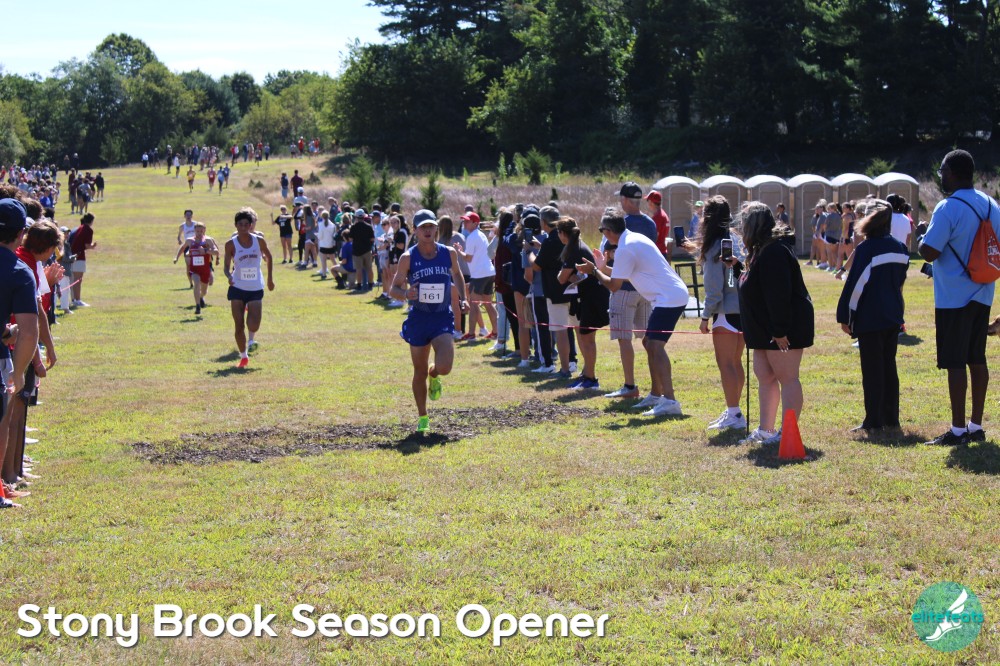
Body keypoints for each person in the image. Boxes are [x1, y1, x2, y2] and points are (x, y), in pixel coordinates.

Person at [918, 149, 1000, 445]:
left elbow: (930, 252)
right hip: (983, 291)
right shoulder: (991, 205)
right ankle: (975, 426)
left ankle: (956, 431)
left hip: (953, 296)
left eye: (942, 171)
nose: (941, 176)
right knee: (977, 358)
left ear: (951, 173)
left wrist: (921, 236)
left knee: (955, 362)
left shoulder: (947, 207)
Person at [577, 209, 690, 415]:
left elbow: (614, 286)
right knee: (649, 342)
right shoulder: (633, 239)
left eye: (602, 230)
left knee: (655, 346)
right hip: (668, 295)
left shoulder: (625, 248)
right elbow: (624, 274)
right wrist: (601, 268)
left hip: (668, 298)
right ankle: (656, 394)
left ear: (608, 232)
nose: (602, 234)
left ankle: (670, 401)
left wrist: (594, 271)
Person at [736, 202, 814, 445]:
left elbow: (779, 294)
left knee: (787, 377)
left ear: (753, 225)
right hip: (764, 329)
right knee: (765, 376)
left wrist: (780, 330)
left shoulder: (774, 252)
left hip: (782, 329)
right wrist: (737, 267)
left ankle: (787, 433)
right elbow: (756, 285)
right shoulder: (761, 250)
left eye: (744, 223)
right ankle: (766, 430)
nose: (741, 228)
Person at [389, 210, 469, 433]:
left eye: (430, 226)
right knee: (419, 371)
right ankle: (423, 416)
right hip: (419, 319)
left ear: (436, 229)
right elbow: (393, 289)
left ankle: (436, 375)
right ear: (415, 230)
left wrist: (463, 299)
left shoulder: (448, 253)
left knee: (444, 367)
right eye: (422, 227)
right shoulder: (408, 258)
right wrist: (406, 294)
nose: (427, 230)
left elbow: (457, 275)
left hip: (441, 317)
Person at [836, 201, 909, 433]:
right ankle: (891, 419)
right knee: (889, 367)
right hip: (893, 315)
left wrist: (845, 316)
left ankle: (874, 421)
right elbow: (899, 284)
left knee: (872, 370)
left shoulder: (867, 249)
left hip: (870, 317)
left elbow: (856, 286)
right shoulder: (901, 248)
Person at [0, 199, 40, 509]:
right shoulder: (18, 271)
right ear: (20, 233)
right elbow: (29, 331)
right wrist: (18, 373)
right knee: (1, 423)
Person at [694, 196, 747, 430]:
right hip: (743, 309)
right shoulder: (736, 239)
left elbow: (714, 290)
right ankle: (734, 410)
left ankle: (734, 413)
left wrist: (705, 317)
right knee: (735, 362)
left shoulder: (714, 245)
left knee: (726, 364)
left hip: (725, 312)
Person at [604, 182, 658, 398]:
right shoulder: (650, 223)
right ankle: (657, 385)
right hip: (644, 288)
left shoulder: (620, 224)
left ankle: (629, 385)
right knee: (648, 340)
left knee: (623, 338)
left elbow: (608, 252)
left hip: (623, 287)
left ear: (625, 200)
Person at [557, 217, 609, 387]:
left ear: (562, 233)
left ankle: (591, 379)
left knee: (587, 339)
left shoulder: (574, 249)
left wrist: (568, 275)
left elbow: (561, 278)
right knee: (585, 337)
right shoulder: (576, 246)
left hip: (592, 298)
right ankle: (587, 374)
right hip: (589, 296)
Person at [224, 208, 274, 368]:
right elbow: (226, 267)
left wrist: (270, 279)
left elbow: (269, 257)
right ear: (236, 225)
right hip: (237, 287)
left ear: (251, 225)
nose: (243, 227)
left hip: (255, 288)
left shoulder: (259, 241)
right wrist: (229, 276)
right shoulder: (230, 244)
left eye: (246, 224)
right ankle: (243, 356)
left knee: (253, 325)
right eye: (240, 224)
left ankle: (250, 321)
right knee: (239, 325)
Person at [174, 222, 220, 315]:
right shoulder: (190, 240)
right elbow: (182, 248)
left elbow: (216, 252)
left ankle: (201, 297)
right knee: (196, 284)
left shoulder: (208, 240)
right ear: (194, 231)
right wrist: (176, 257)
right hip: (194, 269)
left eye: (201, 231)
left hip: (205, 269)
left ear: (204, 230)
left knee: (204, 291)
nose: (199, 233)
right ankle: (197, 306)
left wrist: (206, 251)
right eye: (197, 231)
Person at [69, 213, 96, 307]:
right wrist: (93, 246)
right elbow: (87, 245)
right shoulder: (88, 229)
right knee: (78, 280)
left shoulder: (79, 228)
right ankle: (77, 300)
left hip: (72, 256)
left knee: (73, 279)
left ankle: (74, 299)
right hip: (79, 256)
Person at [646, 190, 672, 261]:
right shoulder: (663, 214)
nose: (647, 203)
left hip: (657, 252)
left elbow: (654, 237)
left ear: (651, 202)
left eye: (647, 201)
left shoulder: (658, 217)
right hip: (662, 251)